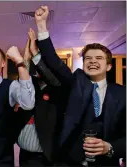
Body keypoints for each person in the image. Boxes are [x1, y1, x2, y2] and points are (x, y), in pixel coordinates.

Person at [34, 6, 126, 166]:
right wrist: (41, 25)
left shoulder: (122, 94)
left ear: (109, 66)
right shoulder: (75, 82)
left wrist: (109, 148)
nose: (92, 61)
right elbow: (55, 63)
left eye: (99, 58)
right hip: (70, 161)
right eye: (88, 59)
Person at [17, 28, 66, 166]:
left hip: (44, 157)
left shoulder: (58, 87)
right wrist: (26, 58)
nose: (37, 68)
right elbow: (23, 78)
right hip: (23, 154)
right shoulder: (32, 84)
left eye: (40, 64)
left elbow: (52, 79)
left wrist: (35, 53)